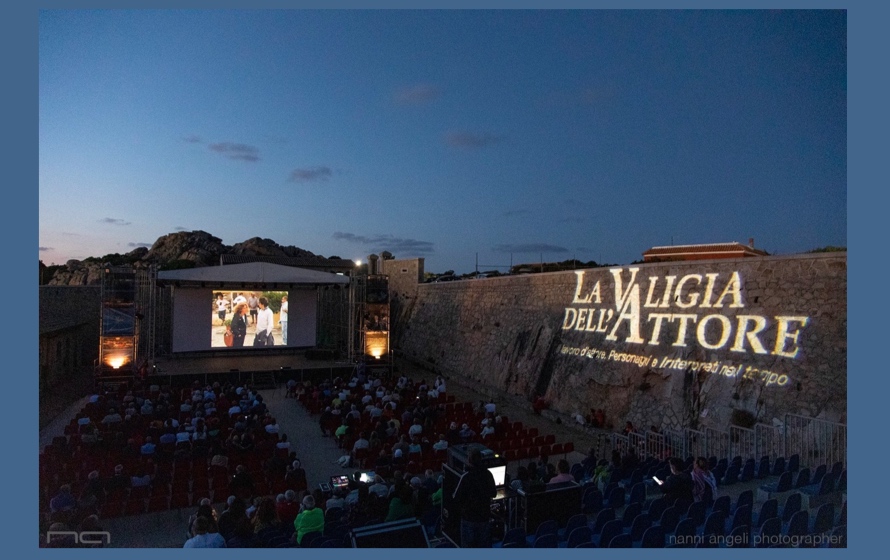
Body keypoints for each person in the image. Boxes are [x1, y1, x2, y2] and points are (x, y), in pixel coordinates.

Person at [451, 448, 497, 548]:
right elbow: (494, 493)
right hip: (484, 518)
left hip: (469, 519)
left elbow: (456, 497)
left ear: (469, 460)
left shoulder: (466, 477)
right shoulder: (488, 474)